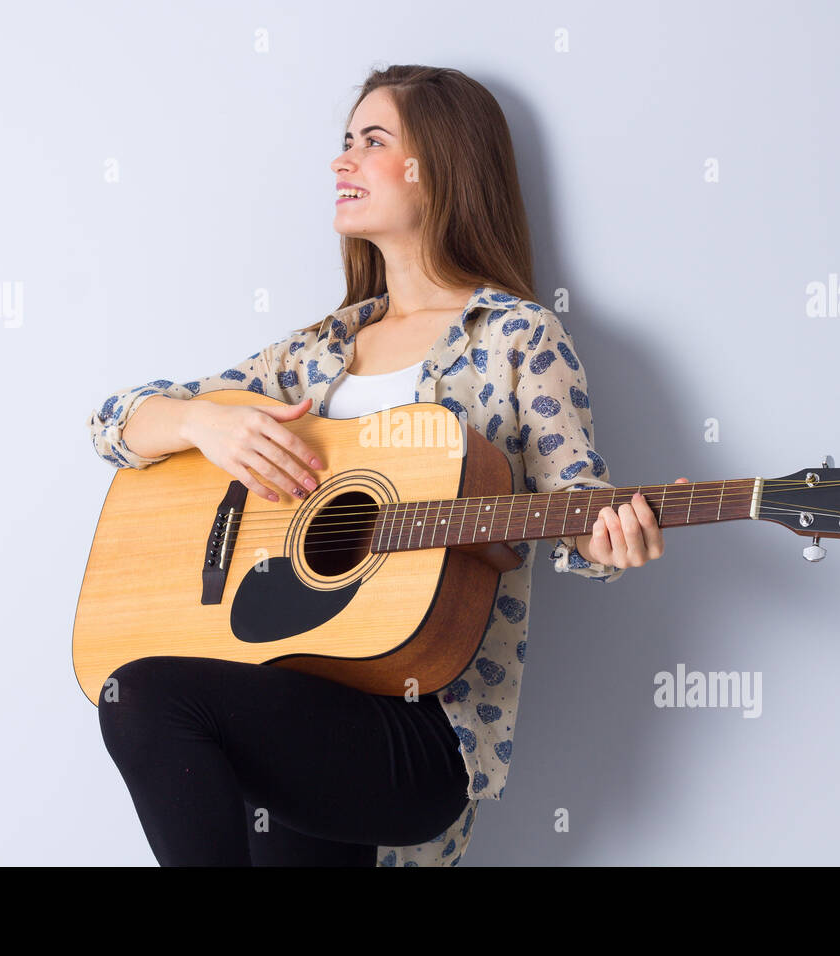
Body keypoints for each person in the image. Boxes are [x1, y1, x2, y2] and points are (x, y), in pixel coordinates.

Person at [85, 64, 685, 867]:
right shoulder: (313, 354)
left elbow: (577, 503)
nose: (342, 163)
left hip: (418, 727)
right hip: (296, 690)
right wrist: (203, 424)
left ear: (444, 165)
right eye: (344, 143)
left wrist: (609, 539)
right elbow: (112, 422)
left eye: (372, 142)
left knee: (150, 696)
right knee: (137, 690)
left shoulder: (517, 336)